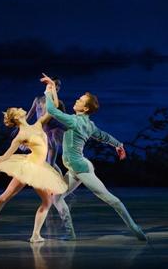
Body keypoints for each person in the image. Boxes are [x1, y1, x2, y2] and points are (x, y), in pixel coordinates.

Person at [42, 74, 147, 241]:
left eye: (80, 100)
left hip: (82, 169)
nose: (77, 100)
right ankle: (70, 234)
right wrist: (118, 144)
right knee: (56, 198)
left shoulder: (74, 122)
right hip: (74, 168)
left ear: (84, 109)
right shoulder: (88, 124)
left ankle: (134, 227)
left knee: (109, 198)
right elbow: (103, 136)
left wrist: (48, 91)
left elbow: (52, 110)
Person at [0, 83, 67, 243]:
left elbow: (54, 107)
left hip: (32, 166)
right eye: (18, 110)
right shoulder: (22, 135)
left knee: (8, 198)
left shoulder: (37, 125)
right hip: (33, 168)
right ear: (17, 117)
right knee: (43, 201)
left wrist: (49, 89)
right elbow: (6, 156)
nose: (21, 109)